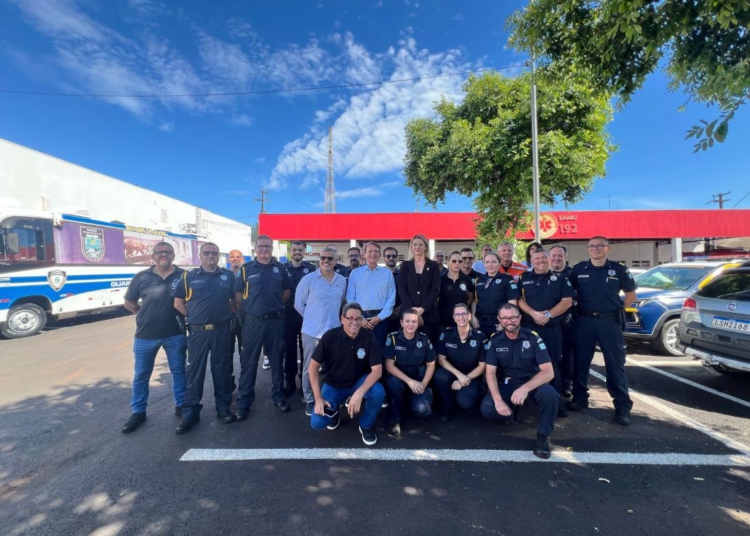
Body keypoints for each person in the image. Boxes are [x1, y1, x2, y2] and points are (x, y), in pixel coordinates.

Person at [568, 236, 637, 425]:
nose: (595, 249)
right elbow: (569, 294)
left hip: (610, 323)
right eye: (591, 246)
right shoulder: (579, 269)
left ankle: (622, 406)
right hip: (584, 321)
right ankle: (579, 398)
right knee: (581, 362)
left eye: (599, 246)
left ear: (608, 249)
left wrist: (617, 308)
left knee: (615, 365)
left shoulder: (619, 269)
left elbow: (631, 295)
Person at [121, 242, 187, 433]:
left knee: (179, 371)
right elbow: (129, 303)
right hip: (145, 335)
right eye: (159, 252)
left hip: (175, 333)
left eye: (167, 252)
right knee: (141, 375)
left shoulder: (183, 276)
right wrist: (144, 314)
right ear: (153, 256)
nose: (163, 255)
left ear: (174, 256)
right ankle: (138, 412)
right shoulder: (142, 277)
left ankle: (181, 405)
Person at [172, 242, 236, 434]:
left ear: (219, 256)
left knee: (222, 371)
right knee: (195, 372)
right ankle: (190, 412)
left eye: (214, 253)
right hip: (198, 333)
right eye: (206, 253)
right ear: (200, 255)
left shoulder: (228, 276)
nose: (210, 256)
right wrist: (193, 318)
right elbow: (178, 303)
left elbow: (235, 301)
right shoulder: (188, 276)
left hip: (221, 331)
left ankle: (223, 408)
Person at [481, 303, 558, 459]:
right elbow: (490, 373)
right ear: (499, 320)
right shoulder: (495, 341)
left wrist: (525, 388)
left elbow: (548, 372)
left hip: (532, 383)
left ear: (520, 318)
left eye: (513, 317)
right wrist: (498, 401)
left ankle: (543, 437)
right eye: (505, 318)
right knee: (488, 408)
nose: (510, 321)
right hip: (509, 384)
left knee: (550, 395)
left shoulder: (533, 337)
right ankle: (512, 413)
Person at [309, 302, 386, 446]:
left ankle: (366, 425)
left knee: (378, 392)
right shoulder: (330, 336)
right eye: (350, 318)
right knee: (317, 422)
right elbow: (312, 368)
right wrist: (318, 398)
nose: (354, 322)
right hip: (334, 385)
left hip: (358, 382)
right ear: (342, 319)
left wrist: (360, 393)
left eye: (358, 318)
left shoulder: (369, 337)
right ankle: (334, 410)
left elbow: (377, 370)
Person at [233, 235, 293, 419]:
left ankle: (278, 397)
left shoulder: (279, 268)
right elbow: (238, 296)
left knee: (276, 360)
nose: (264, 249)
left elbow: (286, 292)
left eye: (267, 246)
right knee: (248, 361)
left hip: (275, 322)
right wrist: (253, 310)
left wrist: (272, 308)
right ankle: (244, 402)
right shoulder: (246, 269)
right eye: (261, 246)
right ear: (255, 249)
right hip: (252, 323)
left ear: (272, 249)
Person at [517, 249, 575, 417]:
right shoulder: (523, 278)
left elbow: (567, 301)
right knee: (527, 364)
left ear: (549, 259)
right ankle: (526, 400)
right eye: (537, 258)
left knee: (553, 366)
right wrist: (534, 314)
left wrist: (547, 315)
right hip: (529, 331)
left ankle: (555, 403)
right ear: (531, 261)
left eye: (544, 258)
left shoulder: (561, 278)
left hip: (552, 331)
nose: (541, 261)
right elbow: (519, 300)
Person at [294, 247, 347, 416]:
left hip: (334, 332)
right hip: (312, 332)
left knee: (334, 366)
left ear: (335, 261)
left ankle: (331, 397)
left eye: (330, 258)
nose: (326, 261)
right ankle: (310, 399)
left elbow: (342, 302)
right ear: (319, 260)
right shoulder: (308, 279)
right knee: (310, 367)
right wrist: (312, 319)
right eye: (323, 258)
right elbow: (298, 304)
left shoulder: (341, 281)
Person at [383, 309, 437, 436]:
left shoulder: (424, 339)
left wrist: (423, 384)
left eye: (414, 321)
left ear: (418, 323)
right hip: (400, 378)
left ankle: (410, 401)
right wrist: (409, 382)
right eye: (407, 321)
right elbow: (389, 366)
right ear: (401, 322)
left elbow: (431, 364)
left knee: (422, 410)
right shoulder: (393, 338)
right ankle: (395, 420)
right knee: (393, 383)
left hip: (419, 379)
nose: (410, 324)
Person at [434, 303, 486, 422]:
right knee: (440, 375)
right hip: (454, 372)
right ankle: (447, 406)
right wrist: (459, 375)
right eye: (457, 314)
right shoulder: (446, 334)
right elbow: (441, 359)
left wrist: (465, 379)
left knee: (465, 402)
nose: (461, 317)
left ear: (469, 316)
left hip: (472, 375)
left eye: (463, 314)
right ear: (453, 317)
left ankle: (469, 400)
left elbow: (482, 366)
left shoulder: (480, 337)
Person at [346, 242, 396, 348]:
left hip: (380, 319)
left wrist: (379, 317)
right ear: (364, 254)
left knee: (379, 351)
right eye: (370, 251)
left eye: (376, 251)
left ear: (379, 255)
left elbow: (391, 298)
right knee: (359, 350)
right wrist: (360, 318)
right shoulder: (355, 273)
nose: (373, 254)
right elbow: (350, 297)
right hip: (360, 318)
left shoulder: (387, 274)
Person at [397, 234, 442, 343]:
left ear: (425, 247)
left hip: (429, 315)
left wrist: (422, 309)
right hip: (408, 316)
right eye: (415, 244)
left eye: (420, 244)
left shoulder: (433, 265)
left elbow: (435, 290)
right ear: (411, 247)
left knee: (428, 348)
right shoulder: (405, 265)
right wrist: (414, 313)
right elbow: (402, 290)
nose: (417, 247)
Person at [284, 240, 315, 395]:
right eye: (295, 249)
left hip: (306, 316)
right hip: (287, 316)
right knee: (289, 351)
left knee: (306, 352)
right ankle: (289, 382)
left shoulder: (311, 269)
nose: (297, 252)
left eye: (300, 250)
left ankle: (305, 382)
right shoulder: (282, 269)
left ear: (305, 252)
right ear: (291, 251)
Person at [471, 252, 520, 336]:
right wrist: (472, 316)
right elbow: (475, 300)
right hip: (480, 323)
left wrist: (505, 322)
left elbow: (512, 304)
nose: (490, 265)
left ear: (499, 263)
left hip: (498, 323)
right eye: (487, 262)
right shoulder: (478, 280)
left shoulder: (507, 279)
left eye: (493, 262)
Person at [549, 245, 574, 398]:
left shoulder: (573, 274)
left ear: (565, 257)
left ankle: (566, 385)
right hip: (549, 323)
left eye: (560, 256)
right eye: (554, 256)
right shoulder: (544, 273)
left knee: (568, 355)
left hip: (569, 322)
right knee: (551, 356)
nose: (557, 258)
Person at [437, 251, 474, 328]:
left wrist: (463, 309)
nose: (457, 263)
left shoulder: (467, 279)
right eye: (454, 261)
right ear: (448, 262)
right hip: (443, 321)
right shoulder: (440, 279)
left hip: (461, 321)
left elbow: (471, 298)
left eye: (460, 261)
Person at [228, 249, 244, 390]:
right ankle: (229, 383)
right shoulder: (224, 275)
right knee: (227, 355)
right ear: (228, 260)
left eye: (238, 257)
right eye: (232, 257)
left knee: (245, 354)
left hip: (244, 319)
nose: (235, 259)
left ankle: (244, 384)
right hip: (226, 320)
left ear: (243, 259)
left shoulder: (248, 273)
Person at [383, 246, 402, 334]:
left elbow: (407, 293)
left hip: (399, 314)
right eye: (388, 256)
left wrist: (399, 309)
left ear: (397, 258)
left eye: (394, 256)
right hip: (383, 315)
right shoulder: (379, 276)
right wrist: (388, 310)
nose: (391, 258)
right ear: (383, 258)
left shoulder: (403, 275)